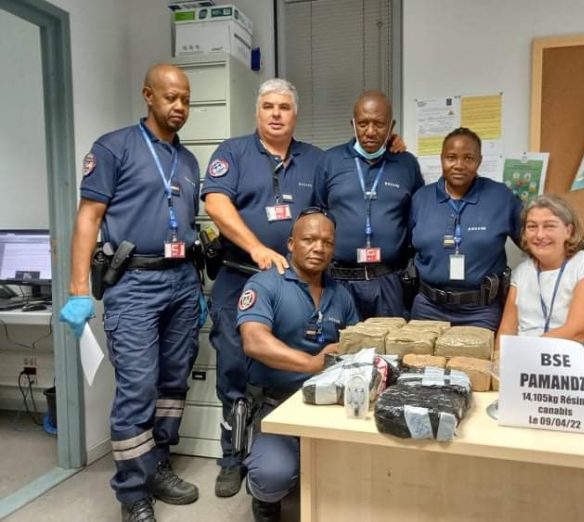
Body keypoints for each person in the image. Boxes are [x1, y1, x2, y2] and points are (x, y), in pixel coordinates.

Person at [59, 64, 204, 522]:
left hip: (181, 279)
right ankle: (132, 492)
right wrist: (78, 287)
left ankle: (158, 465)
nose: (179, 106)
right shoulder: (114, 147)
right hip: (135, 282)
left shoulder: (188, 159)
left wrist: (195, 283)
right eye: (170, 98)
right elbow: (88, 217)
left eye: (185, 99)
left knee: (172, 383)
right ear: (147, 95)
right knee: (138, 388)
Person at [201, 79, 325, 497]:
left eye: (284, 107)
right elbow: (215, 203)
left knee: (298, 361)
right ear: (258, 111)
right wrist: (255, 247)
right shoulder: (232, 152)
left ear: (295, 114)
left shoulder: (315, 160)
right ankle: (232, 458)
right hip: (240, 279)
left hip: (296, 286)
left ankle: (292, 447)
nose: (276, 113)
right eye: (268, 106)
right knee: (234, 371)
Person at [237, 207, 359, 521]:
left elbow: (355, 348)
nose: (318, 248)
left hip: (329, 408)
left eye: (327, 242)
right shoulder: (265, 284)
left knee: (363, 469)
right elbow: (253, 340)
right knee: (273, 474)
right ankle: (265, 500)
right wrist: (310, 363)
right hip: (275, 405)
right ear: (291, 243)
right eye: (309, 239)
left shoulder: (341, 295)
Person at [314, 90, 423, 319]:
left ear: (391, 126)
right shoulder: (330, 161)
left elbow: (419, 218)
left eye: (379, 124)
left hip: (389, 281)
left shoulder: (406, 164)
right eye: (363, 124)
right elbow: (317, 214)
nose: (371, 132)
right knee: (340, 349)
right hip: (339, 281)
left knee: (389, 350)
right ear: (353, 124)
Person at [409, 127, 521, 330]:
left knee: (475, 362)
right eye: (451, 157)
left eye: (468, 158)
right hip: (427, 308)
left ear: (479, 161)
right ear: (441, 158)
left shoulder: (500, 197)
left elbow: (531, 241)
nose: (459, 165)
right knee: (421, 362)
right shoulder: (420, 198)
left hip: (480, 311)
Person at [497, 195, 584, 358]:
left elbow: (576, 333)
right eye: (532, 227)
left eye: (549, 226)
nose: (539, 235)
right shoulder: (521, 272)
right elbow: (507, 332)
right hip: (531, 368)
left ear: (568, 231)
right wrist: (500, 367)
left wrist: (522, 356)